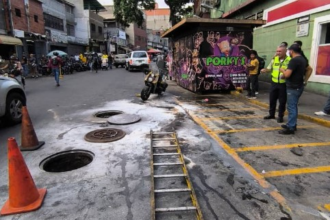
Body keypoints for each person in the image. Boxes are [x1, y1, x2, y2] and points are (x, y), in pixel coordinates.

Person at [278, 44, 307, 134]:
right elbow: (309, 69)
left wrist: (282, 70)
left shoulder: (294, 60)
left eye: (288, 51)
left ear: (291, 51)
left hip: (293, 87)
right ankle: (292, 124)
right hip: (298, 86)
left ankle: (291, 128)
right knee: (293, 106)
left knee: (291, 107)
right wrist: (305, 80)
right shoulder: (303, 59)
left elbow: (287, 75)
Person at [261, 46, 291, 123]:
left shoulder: (289, 60)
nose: (277, 53)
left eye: (280, 51)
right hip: (274, 83)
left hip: (283, 84)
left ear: (285, 52)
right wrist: (265, 70)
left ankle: (280, 116)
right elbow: (269, 68)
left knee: (282, 101)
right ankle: (271, 114)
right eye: (277, 51)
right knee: (272, 100)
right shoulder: (274, 59)